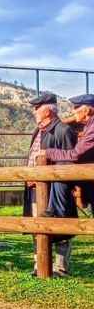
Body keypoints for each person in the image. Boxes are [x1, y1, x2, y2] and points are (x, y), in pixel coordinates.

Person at [22, 93, 77, 277]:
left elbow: (71, 162)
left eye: (37, 108)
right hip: (34, 189)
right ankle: (40, 266)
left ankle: (61, 268)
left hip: (55, 189)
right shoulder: (38, 130)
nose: (34, 111)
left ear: (48, 110)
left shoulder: (63, 130)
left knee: (61, 228)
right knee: (36, 227)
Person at [41, 94, 94, 277]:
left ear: (87, 110)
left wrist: (49, 153)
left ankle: (56, 212)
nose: (72, 112)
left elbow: (76, 154)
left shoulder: (92, 128)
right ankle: (55, 210)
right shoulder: (89, 125)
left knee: (62, 169)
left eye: (76, 108)